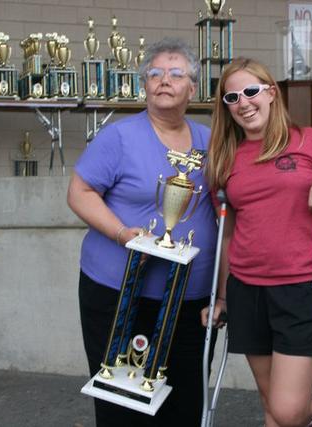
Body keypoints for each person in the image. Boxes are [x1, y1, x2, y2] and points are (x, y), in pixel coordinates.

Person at [202, 57, 312, 427]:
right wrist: (223, 296)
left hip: (302, 287)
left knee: (289, 409)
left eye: (250, 91)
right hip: (247, 290)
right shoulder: (224, 158)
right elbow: (227, 232)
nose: (243, 103)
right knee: (273, 407)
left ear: (271, 93)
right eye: (232, 98)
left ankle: (309, 417)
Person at [67, 37, 218, 427]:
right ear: (144, 85)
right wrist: (122, 234)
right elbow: (79, 193)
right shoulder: (119, 137)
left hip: (192, 301)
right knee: (123, 406)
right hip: (120, 295)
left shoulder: (210, 142)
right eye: (154, 73)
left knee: (185, 404)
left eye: (175, 73)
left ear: (193, 87)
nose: (164, 80)